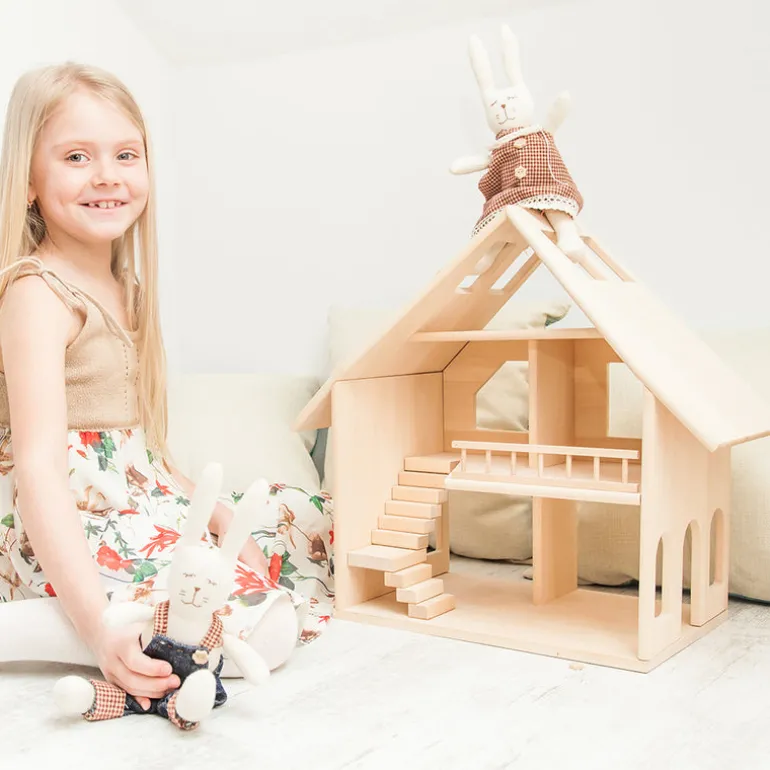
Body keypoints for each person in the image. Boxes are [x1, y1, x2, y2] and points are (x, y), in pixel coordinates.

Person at [0, 62, 334, 711]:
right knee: (265, 633)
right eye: (76, 156)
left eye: (126, 155)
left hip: (136, 500)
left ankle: (122, 615)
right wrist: (99, 627)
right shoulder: (37, 292)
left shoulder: (127, 289)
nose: (107, 175)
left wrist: (210, 509)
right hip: (66, 520)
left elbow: (141, 451)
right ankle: (57, 625)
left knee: (298, 524)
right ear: (30, 182)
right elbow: (39, 469)